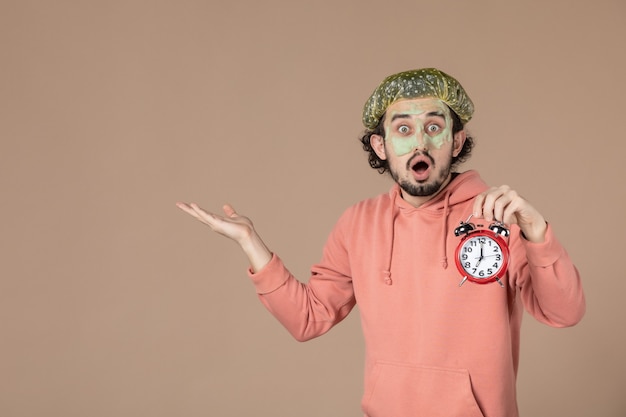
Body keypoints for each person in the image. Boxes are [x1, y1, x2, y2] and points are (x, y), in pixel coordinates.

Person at [177, 68, 585, 417]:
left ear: (456, 142)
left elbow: (563, 312)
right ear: (381, 145)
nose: (420, 142)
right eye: (403, 129)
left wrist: (536, 231)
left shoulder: (497, 218)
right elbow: (308, 318)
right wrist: (250, 243)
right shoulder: (358, 224)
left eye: (434, 126)